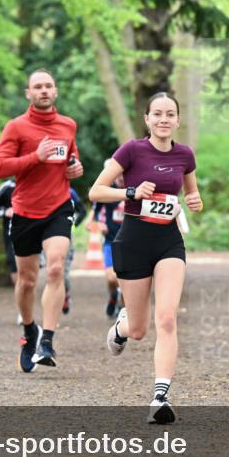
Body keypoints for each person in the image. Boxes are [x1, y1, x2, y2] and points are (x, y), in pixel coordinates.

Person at [89, 92, 203, 424]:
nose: (164, 119)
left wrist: (195, 201)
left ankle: (160, 396)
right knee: (139, 329)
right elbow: (96, 190)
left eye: (170, 114)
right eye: (157, 114)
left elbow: (191, 191)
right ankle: (122, 328)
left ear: (178, 120)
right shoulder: (132, 150)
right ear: (147, 119)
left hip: (169, 240)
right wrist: (130, 192)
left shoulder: (185, 155)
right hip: (134, 239)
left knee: (167, 318)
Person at [0, 69, 83, 373]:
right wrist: (35, 157)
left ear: (55, 91)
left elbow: (71, 158)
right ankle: (30, 331)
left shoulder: (68, 125)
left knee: (56, 266)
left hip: (58, 207)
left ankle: (47, 339)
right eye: (37, 87)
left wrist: (74, 168)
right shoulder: (16, 128)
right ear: (28, 93)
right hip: (25, 211)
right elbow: (0, 168)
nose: (43, 91)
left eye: (48, 86)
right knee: (27, 281)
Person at [90, 159, 125, 318]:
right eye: (118, 175)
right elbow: (96, 210)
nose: (122, 178)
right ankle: (113, 295)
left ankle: (122, 312)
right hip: (111, 240)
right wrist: (98, 223)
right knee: (112, 278)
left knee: (127, 282)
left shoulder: (136, 189)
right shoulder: (108, 190)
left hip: (131, 241)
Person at [62, 186, 88, 315]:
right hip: (43, 237)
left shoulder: (70, 192)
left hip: (66, 236)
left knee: (62, 272)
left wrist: (73, 223)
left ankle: (65, 296)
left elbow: (83, 211)